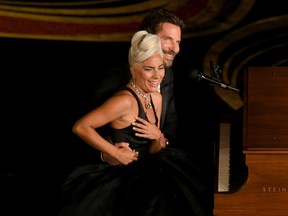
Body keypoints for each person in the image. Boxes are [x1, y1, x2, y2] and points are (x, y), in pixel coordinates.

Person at [57, 30, 210, 216]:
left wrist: (157, 136)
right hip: (123, 177)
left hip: (150, 168)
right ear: (133, 69)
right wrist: (114, 152)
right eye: (148, 69)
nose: (156, 76)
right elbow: (81, 127)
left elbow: (154, 151)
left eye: (160, 68)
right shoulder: (124, 101)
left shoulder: (157, 97)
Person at [101, 7, 184, 165]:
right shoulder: (114, 77)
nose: (176, 49)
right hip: (113, 169)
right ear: (148, 38)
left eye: (178, 41)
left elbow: (170, 126)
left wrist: (160, 138)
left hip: (150, 160)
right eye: (168, 39)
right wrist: (108, 154)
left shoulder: (167, 74)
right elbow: (83, 126)